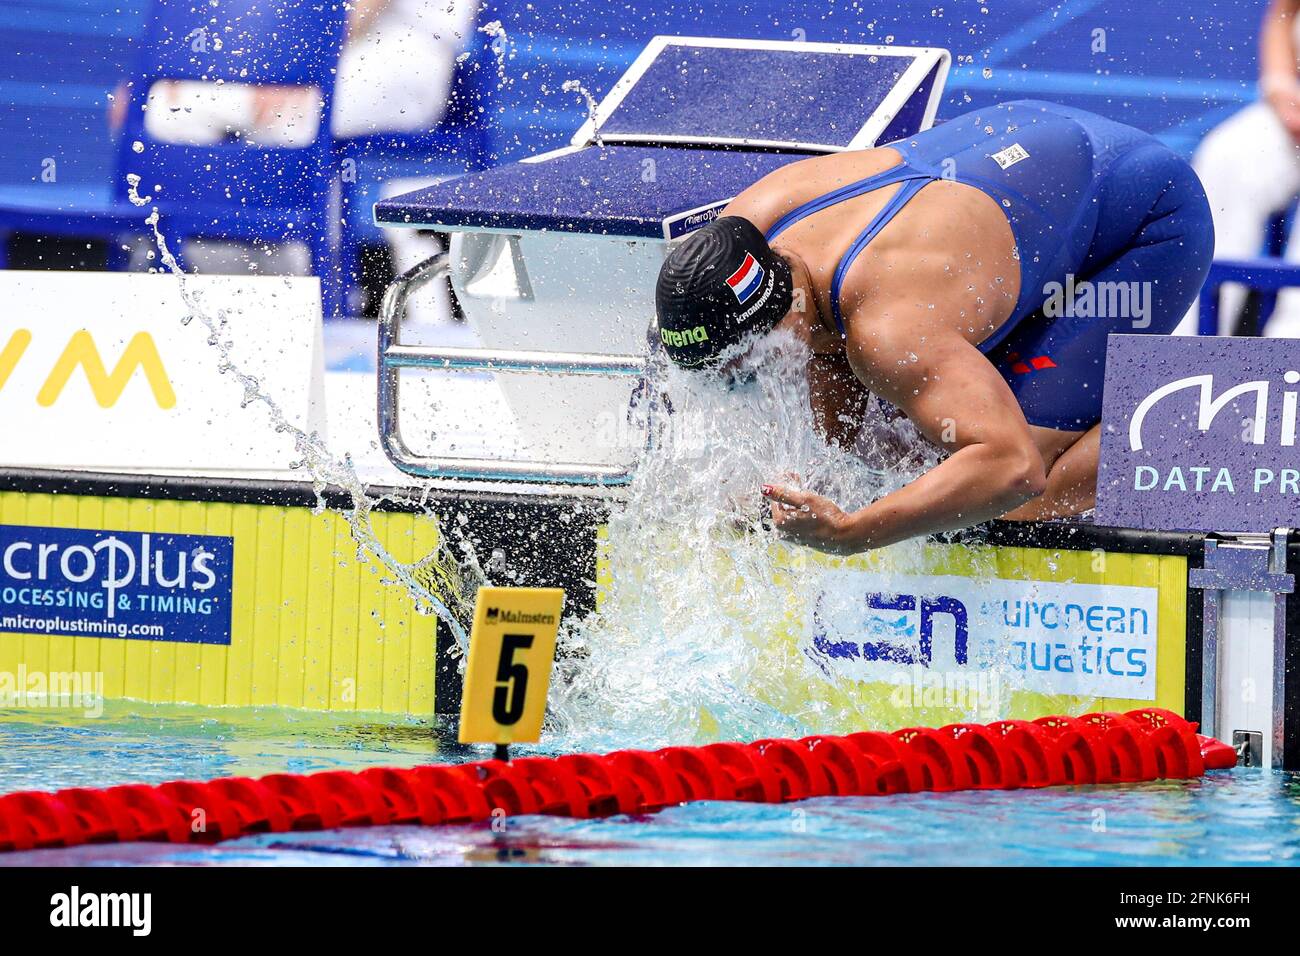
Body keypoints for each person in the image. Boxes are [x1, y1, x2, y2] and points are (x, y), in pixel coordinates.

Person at [654, 99, 1214, 555]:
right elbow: (828, 405)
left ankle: (1200, 424)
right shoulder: (751, 222)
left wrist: (854, 531)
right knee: (874, 449)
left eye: (747, 365)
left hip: (1143, 217)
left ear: (789, 313)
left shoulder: (889, 330)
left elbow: (1010, 467)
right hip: (1028, 138)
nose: (743, 380)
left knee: (1004, 491)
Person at [1178, 0, 1300, 336]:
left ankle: (1289, 350)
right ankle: (1184, 347)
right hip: (1293, 116)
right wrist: (1281, 88)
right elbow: (1284, 13)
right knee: (1228, 155)